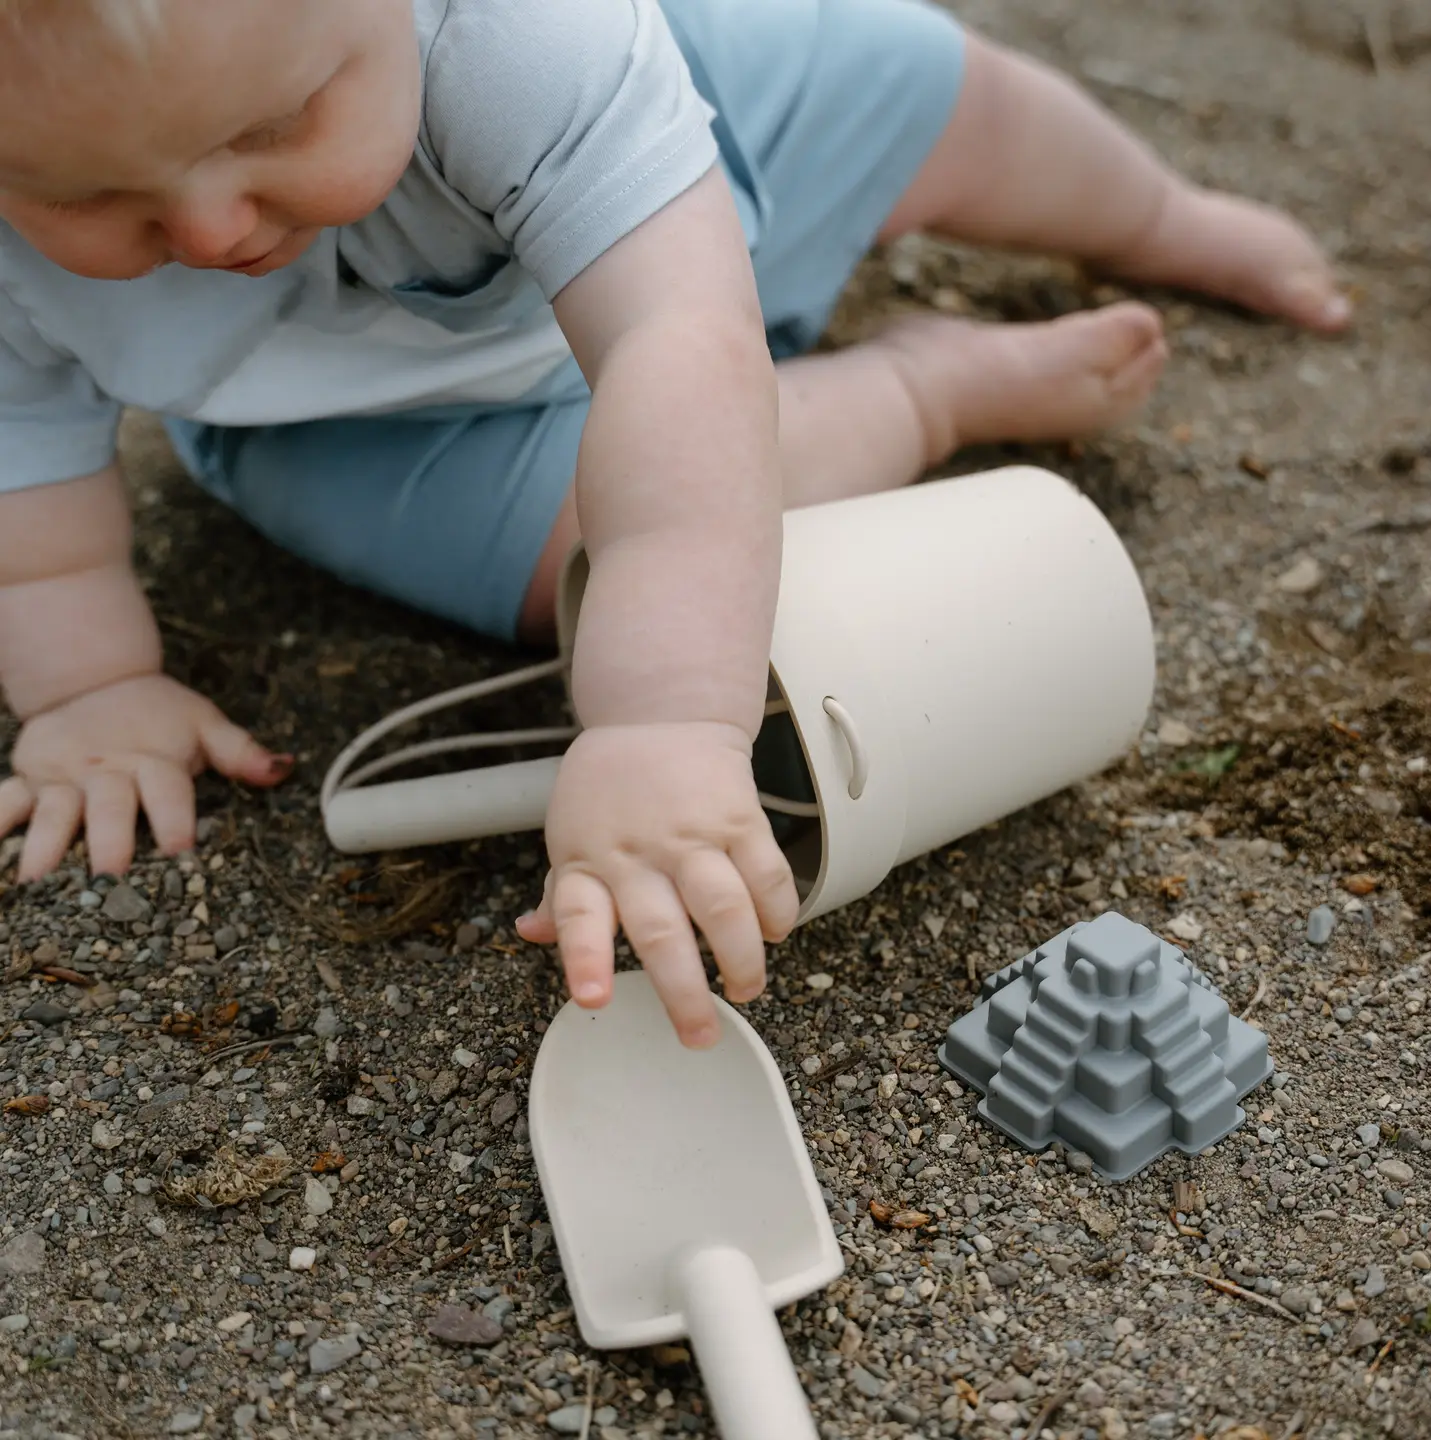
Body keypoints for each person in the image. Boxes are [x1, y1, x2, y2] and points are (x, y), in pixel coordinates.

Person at [0, 0, 1348, 1048]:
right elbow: (23, 467)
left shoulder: (519, 43)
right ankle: (920, 391)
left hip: (694, 187)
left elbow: (674, 337)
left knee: (927, 90)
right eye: (89, 198)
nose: (207, 222)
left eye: (273, 125)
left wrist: (660, 718)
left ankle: (1160, 215)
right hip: (347, 411)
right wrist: (91, 683)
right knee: (572, 558)